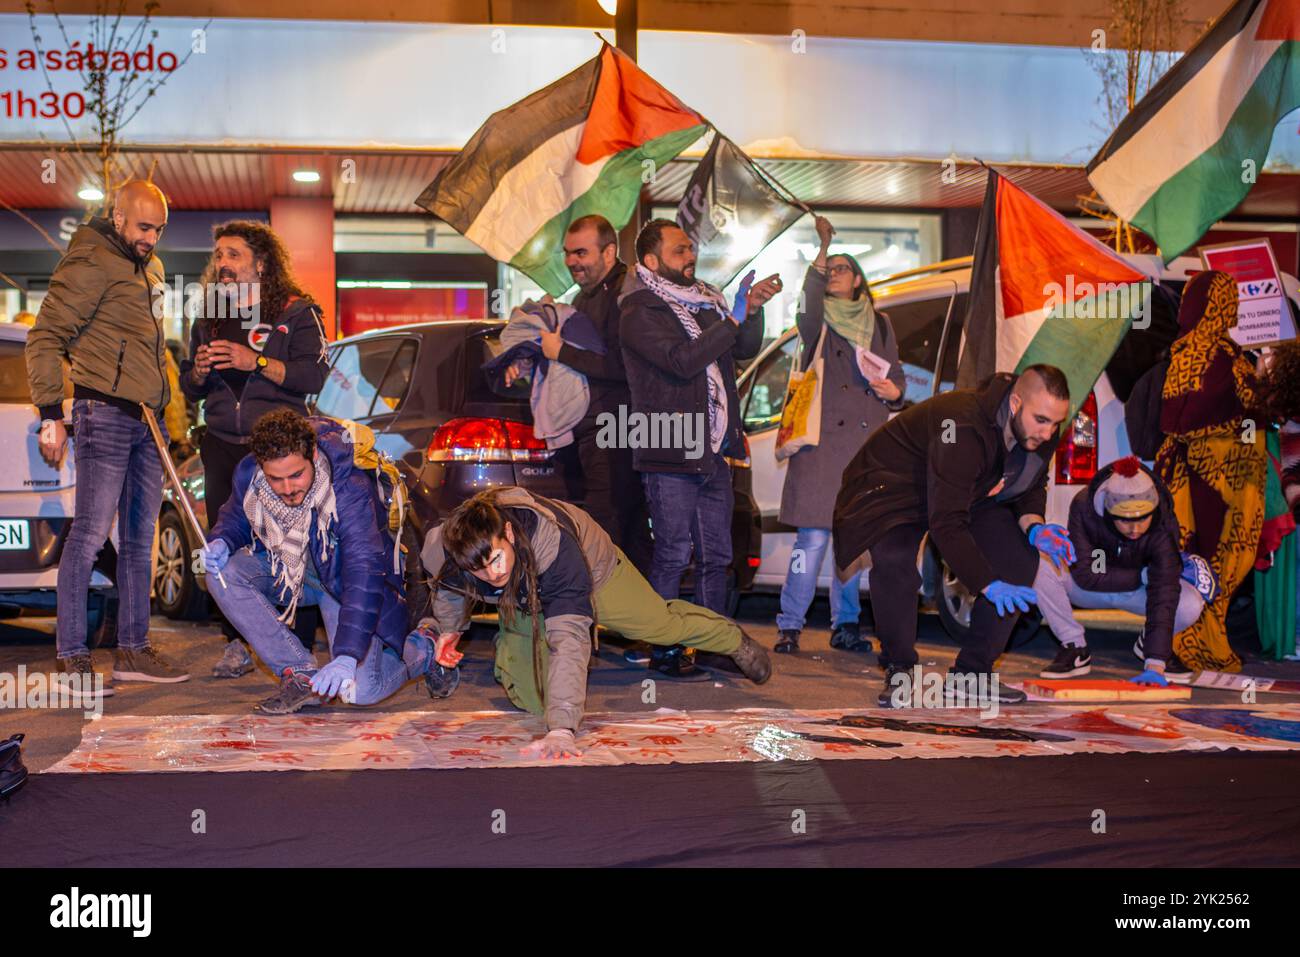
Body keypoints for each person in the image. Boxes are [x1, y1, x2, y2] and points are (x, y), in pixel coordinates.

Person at [417, 487, 772, 759]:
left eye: (496, 559)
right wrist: (450, 629)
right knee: (534, 701)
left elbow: (570, 640)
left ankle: (730, 638)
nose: (492, 574)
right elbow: (450, 588)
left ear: (509, 534)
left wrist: (561, 731)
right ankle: (515, 645)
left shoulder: (555, 549)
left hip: (595, 573)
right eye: (478, 569)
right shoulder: (444, 552)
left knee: (659, 626)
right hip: (526, 597)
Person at [26, 181, 191, 697]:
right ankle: (73, 656)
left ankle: (133, 649)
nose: (152, 238)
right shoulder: (91, 259)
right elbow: (45, 336)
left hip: (146, 420)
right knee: (89, 535)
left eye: (160, 229)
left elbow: (153, 352)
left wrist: (171, 419)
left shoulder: (151, 269)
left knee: (139, 540)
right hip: (102, 413)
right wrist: (51, 414)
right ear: (118, 217)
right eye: (144, 227)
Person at [834, 365, 1074, 707]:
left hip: (966, 486)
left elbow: (1031, 484)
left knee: (1019, 557)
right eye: (1042, 420)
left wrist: (1035, 527)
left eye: (1056, 422)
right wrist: (987, 583)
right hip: (894, 485)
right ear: (1017, 403)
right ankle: (899, 670)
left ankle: (972, 675)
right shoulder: (961, 426)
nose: (1049, 432)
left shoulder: (1039, 430)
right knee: (895, 564)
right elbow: (947, 523)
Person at [619, 219, 780, 674]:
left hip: (714, 451)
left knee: (717, 556)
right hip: (670, 446)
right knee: (673, 553)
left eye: (691, 248)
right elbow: (682, 361)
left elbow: (741, 349)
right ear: (651, 262)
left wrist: (754, 310)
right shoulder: (640, 310)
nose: (690, 257)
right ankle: (664, 646)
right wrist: (732, 317)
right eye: (678, 250)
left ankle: (714, 644)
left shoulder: (706, 302)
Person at [181, 221, 331, 679]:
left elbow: (313, 378)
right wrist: (201, 374)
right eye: (219, 256)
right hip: (223, 446)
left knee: (288, 544)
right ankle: (235, 644)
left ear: (261, 262)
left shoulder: (296, 311)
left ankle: (297, 646)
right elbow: (189, 388)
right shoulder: (207, 314)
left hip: (279, 453)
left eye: (234, 255)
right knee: (226, 543)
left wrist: (258, 362)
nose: (223, 264)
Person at [199, 410, 422, 715]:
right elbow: (237, 516)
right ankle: (299, 672)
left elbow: (363, 571)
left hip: (342, 586)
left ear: (313, 454)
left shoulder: (350, 488)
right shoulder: (249, 474)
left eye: (296, 475)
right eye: (275, 479)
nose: (288, 488)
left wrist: (346, 656)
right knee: (222, 573)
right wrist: (221, 540)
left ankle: (423, 649)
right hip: (292, 576)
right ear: (262, 466)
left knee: (359, 691)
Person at [774, 215, 906, 654]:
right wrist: (824, 246)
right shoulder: (816, 323)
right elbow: (810, 298)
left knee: (851, 543)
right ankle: (790, 624)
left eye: (842, 268)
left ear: (859, 281)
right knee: (811, 541)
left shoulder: (881, 325)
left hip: (864, 449)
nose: (834, 274)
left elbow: (898, 379)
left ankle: (845, 626)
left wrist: (895, 392)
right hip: (821, 446)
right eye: (830, 270)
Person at [506, 215, 653, 574]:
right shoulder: (581, 301)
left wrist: (562, 353)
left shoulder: (628, 294)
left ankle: (628, 620)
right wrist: (526, 362)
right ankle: (629, 623)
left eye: (581, 252)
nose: (572, 261)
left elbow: (627, 367)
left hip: (619, 430)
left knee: (612, 530)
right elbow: (566, 370)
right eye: (568, 253)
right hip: (587, 435)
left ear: (609, 252)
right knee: (611, 530)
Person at [1155, 270, 1268, 673]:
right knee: (1205, 560)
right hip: (1208, 480)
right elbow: (1181, 417)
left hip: (1225, 478)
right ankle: (1191, 644)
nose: (1235, 306)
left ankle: (1192, 640)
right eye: (1227, 298)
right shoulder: (1202, 351)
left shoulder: (1225, 351)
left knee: (1216, 562)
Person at [1033, 456, 1208, 684]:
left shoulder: (1163, 523)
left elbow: (1164, 591)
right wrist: (1142, 575)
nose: (1135, 529)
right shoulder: (1085, 507)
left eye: (1142, 519)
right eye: (1125, 520)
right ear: (1108, 510)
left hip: (1137, 591)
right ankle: (1074, 646)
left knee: (1190, 602)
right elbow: (1086, 574)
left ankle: (1152, 646)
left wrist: (1156, 663)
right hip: (1092, 586)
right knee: (1040, 563)